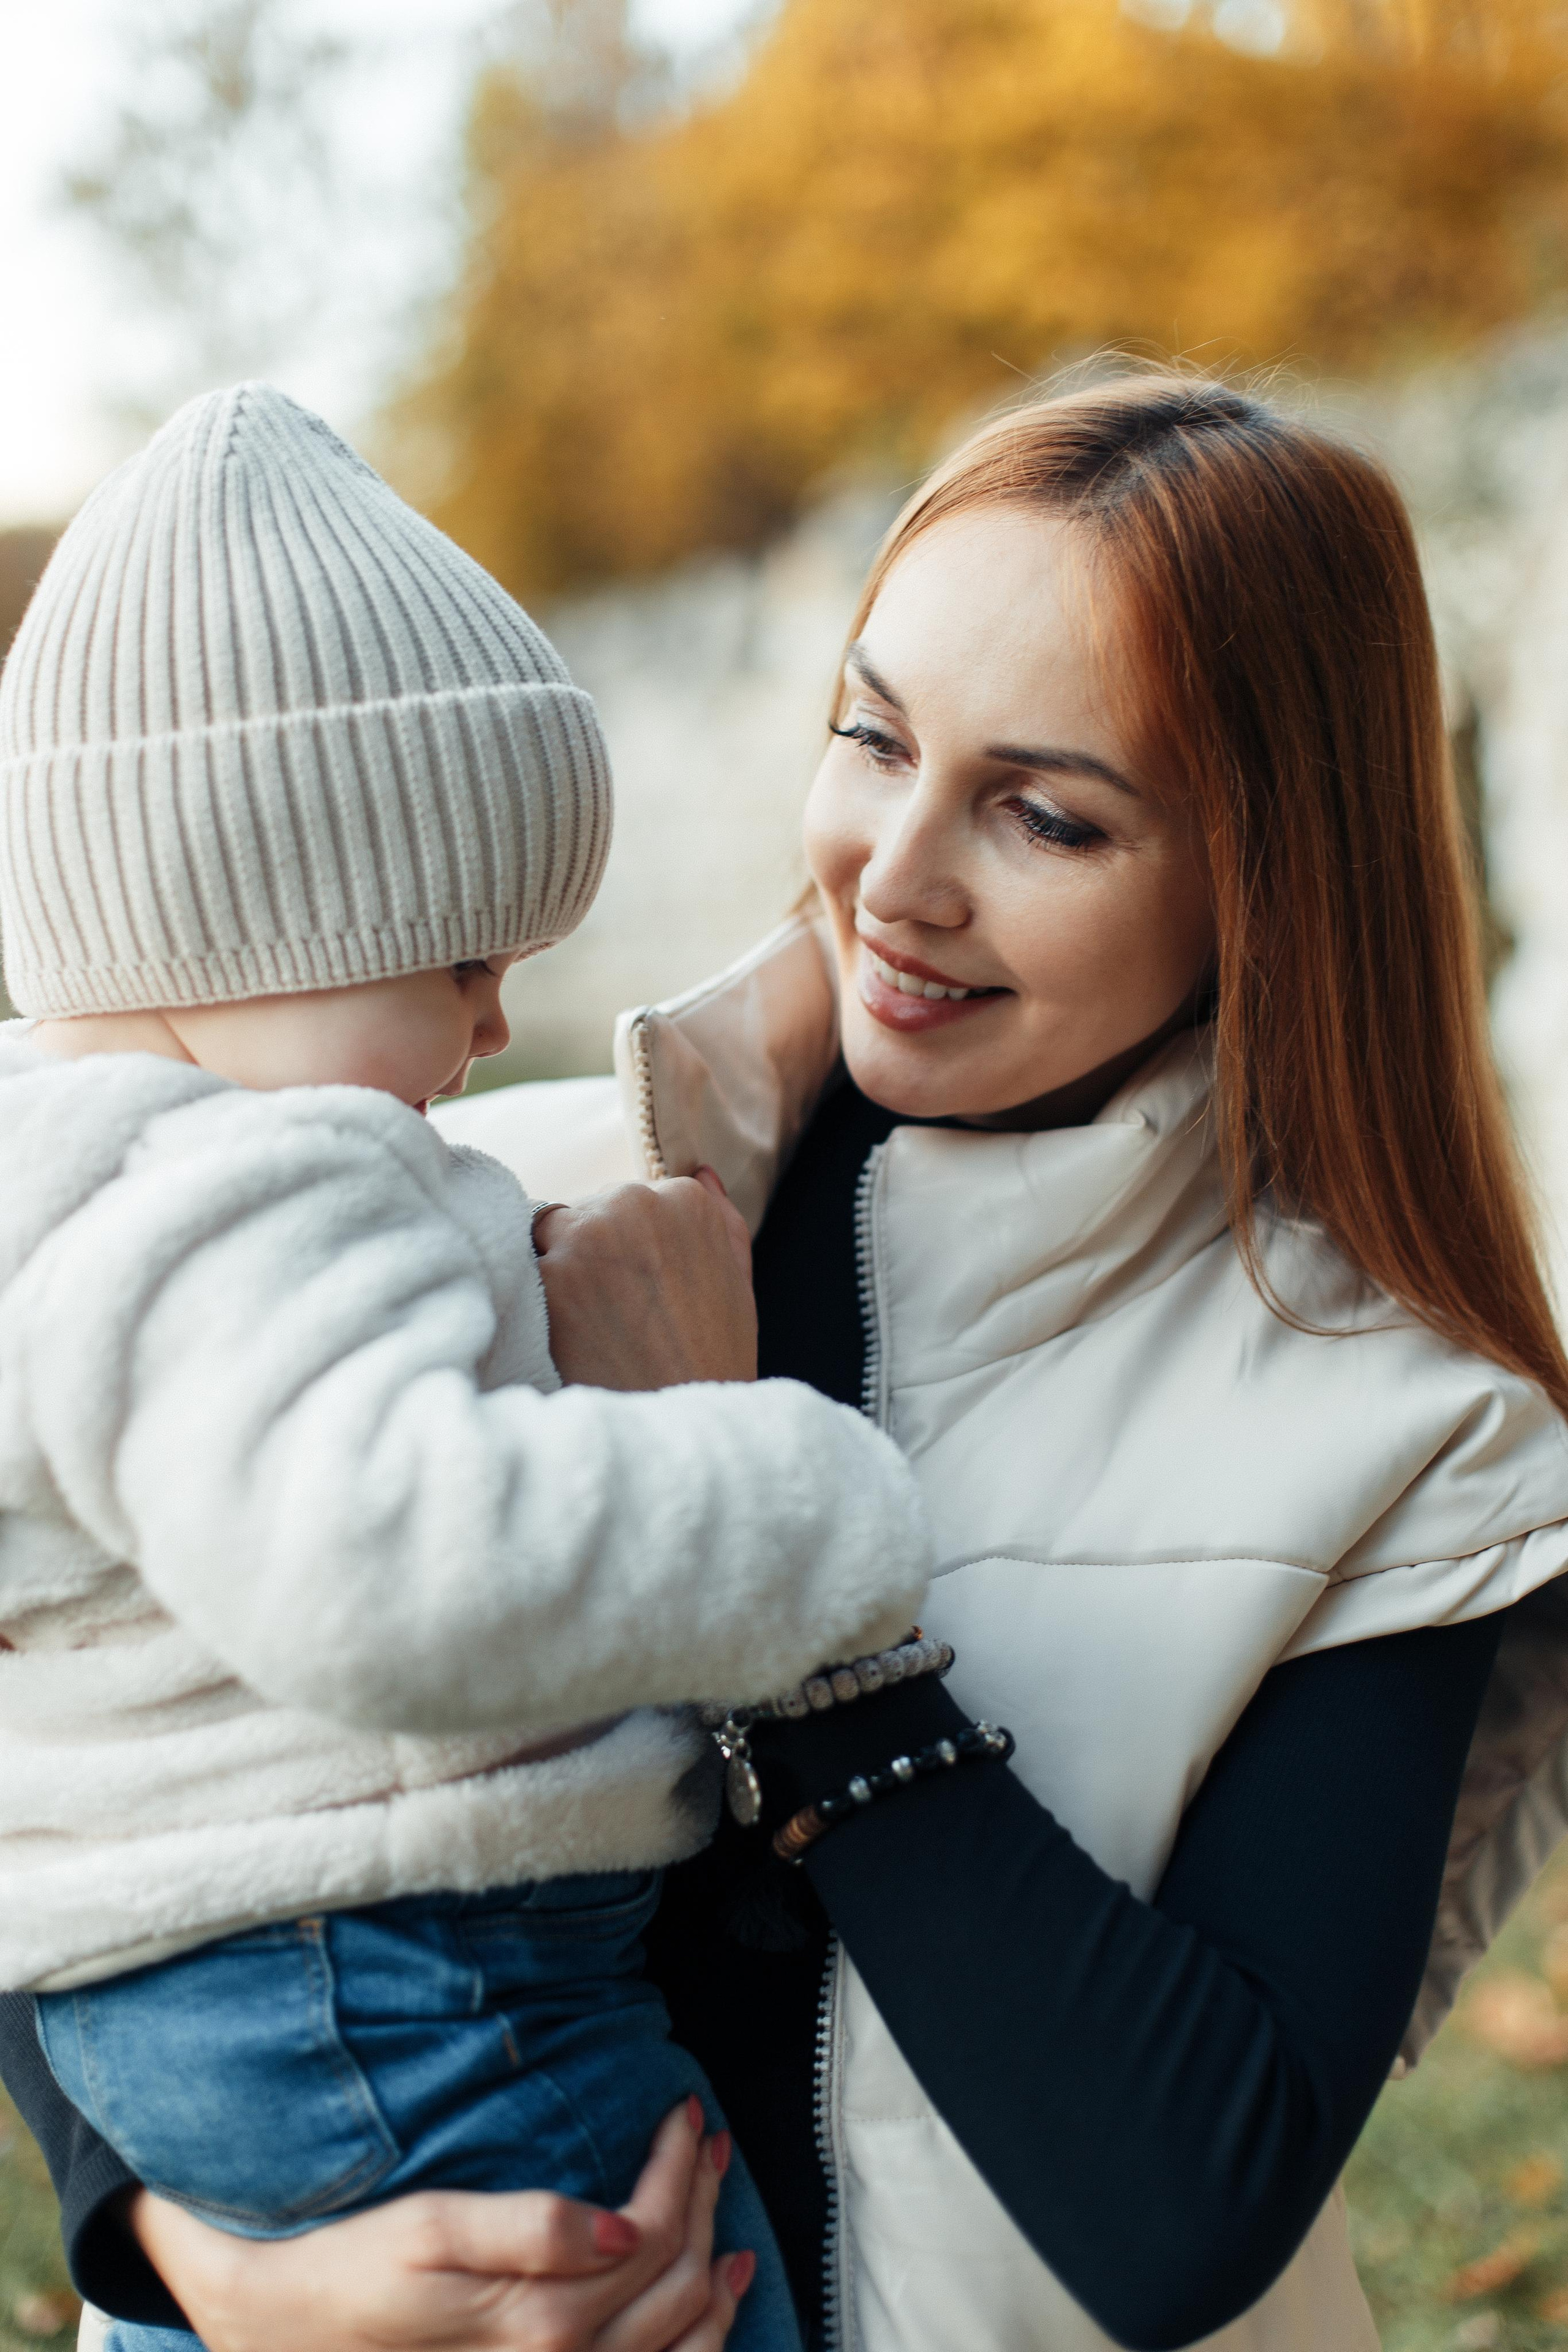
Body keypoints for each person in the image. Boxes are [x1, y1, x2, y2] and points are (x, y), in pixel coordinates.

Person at [11, 369, 1568, 2352]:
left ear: (1266, 879)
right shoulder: (477, 1202)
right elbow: (86, 1756)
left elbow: (1192, 2206)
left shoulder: (1407, 1438)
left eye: (1044, 812)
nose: (894, 879)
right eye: (873, 736)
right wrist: (192, 2251)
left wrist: (792, 1615)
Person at [0, 383, 935, 2352]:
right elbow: (378, 1572)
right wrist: (791, 1490)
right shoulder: (258, 1188)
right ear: (260, 900)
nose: (501, 1021)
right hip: (411, 1979)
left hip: (184, 2028)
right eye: (460, 958)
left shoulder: (66, 1191)